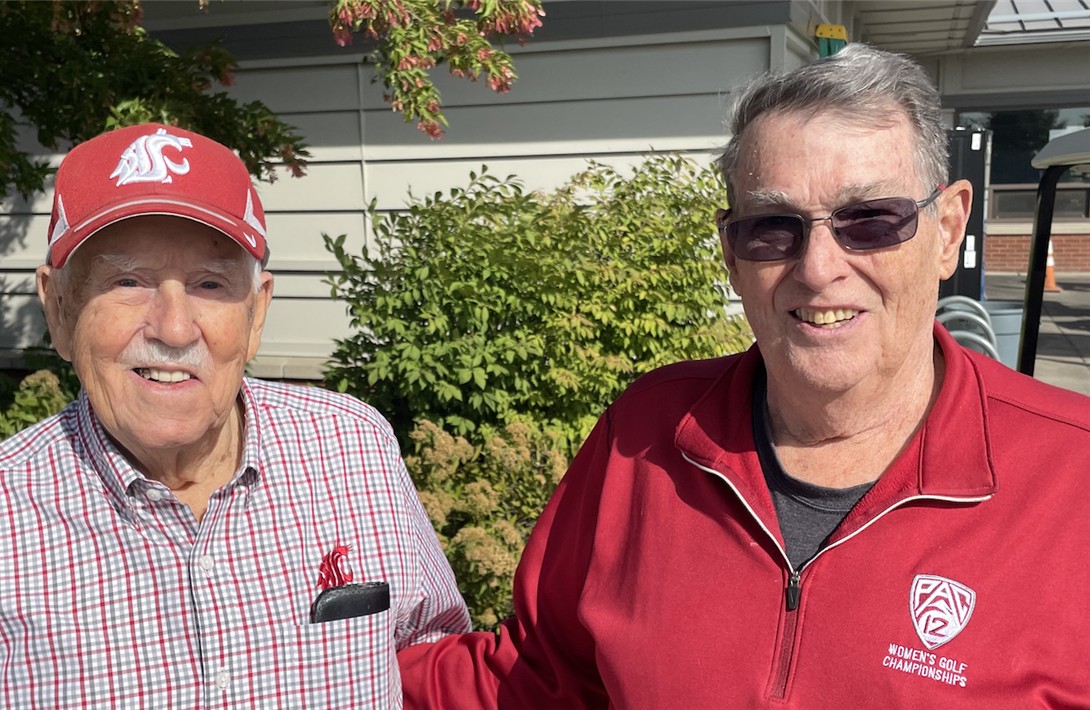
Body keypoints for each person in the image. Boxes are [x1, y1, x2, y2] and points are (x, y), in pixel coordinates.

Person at [397, 44, 1090, 707]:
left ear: (946, 230)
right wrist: (310, 664)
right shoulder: (645, 433)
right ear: (732, 255)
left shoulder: (1072, 476)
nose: (818, 268)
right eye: (772, 227)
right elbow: (541, 681)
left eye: (870, 220)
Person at [0, 123, 470, 707]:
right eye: (127, 281)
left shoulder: (353, 448)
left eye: (210, 283)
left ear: (257, 311)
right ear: (59, 310)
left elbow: (430, 659)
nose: (172, 327)